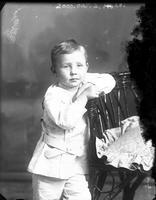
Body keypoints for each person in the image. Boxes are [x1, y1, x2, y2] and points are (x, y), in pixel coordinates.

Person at [27, 39, 116, 200]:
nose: (74, 72)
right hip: (51, 165)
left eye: (79, 65)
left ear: (87, 67)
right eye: (66, 66)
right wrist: (83, 97)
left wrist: (91, 86)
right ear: (54, 69)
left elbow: (110, 80)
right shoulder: (53, 95)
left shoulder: (83, 81)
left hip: (76, 164)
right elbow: (65, 122)